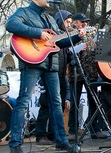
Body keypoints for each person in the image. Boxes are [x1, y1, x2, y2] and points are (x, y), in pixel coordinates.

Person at [5, 0, 85, 153]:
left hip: (51, 64)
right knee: (23, 101)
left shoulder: (50, 19)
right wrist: (37, 33)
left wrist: (78, 36)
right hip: (32, 62)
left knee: (56, 102)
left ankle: (61, 140)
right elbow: (11, 24)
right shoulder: (24, 12)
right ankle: (15, 144)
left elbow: (58, 43)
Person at [35, 10, 73, 145]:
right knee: (46, 104)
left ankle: (53, 134)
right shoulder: (52, 35)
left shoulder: (64, 37)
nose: (69, 25)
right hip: (50, 72)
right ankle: (40, 134)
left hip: (61, 73)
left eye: (70, 22)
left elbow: (65, 56)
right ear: (59, 20)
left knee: (59, 105)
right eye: (67, 22)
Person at [67, 13, 107, 139]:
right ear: (75, 22)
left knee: (94, 101)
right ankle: (73, 130)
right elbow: (67, 51)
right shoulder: (69, 33)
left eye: (86, 21)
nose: (84, 24)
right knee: (75, 102)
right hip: (76, 72)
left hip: (91, 72)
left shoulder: (91, 34)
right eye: (82, 21)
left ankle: (95, 129)